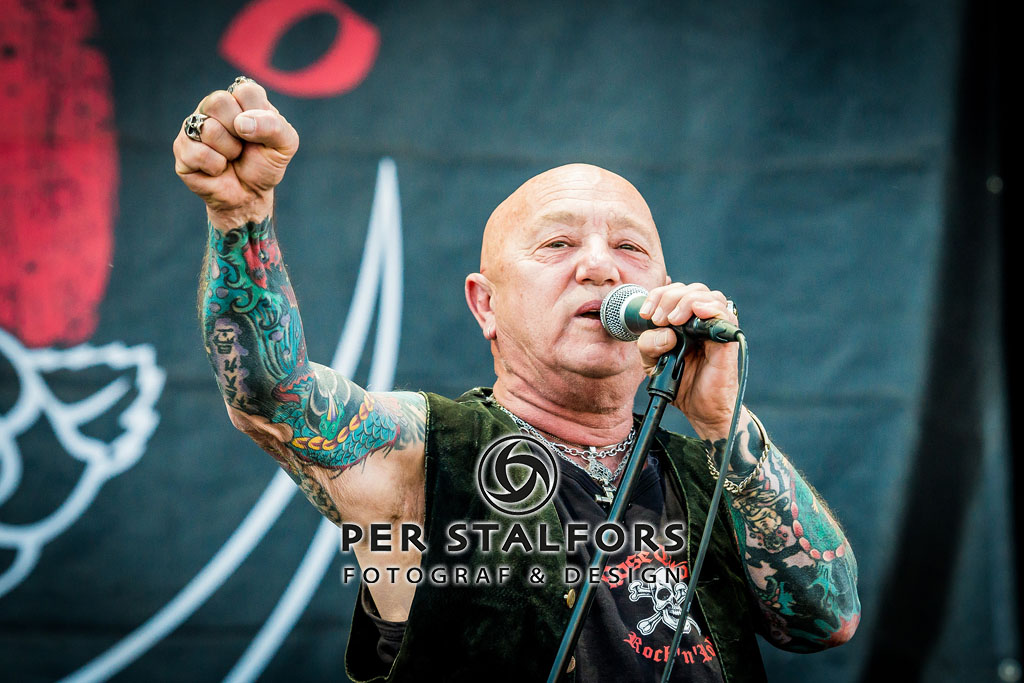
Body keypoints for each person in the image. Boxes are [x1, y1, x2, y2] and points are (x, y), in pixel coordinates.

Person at [174, 78, 860, 682]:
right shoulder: (429, 451)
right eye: (558, 244)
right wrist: (241, 217)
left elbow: (825, 621)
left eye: (630, 247)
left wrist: (724, 425)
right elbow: (274, 394)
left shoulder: (717, 472)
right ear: (486, 305)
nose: (601, 267)